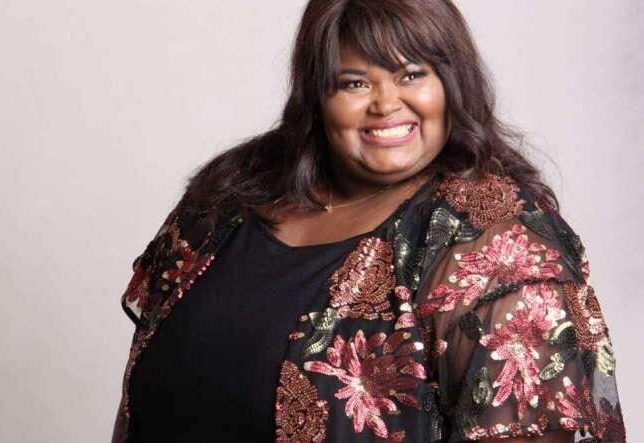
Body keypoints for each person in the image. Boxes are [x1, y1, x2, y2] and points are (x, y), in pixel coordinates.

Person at [112, 1, 625, 442]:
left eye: (411, 74)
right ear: (317, 95)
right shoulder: (232, 193)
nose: (385, 104)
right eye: (354, 82)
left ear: (453, 83)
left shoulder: (495, 244)